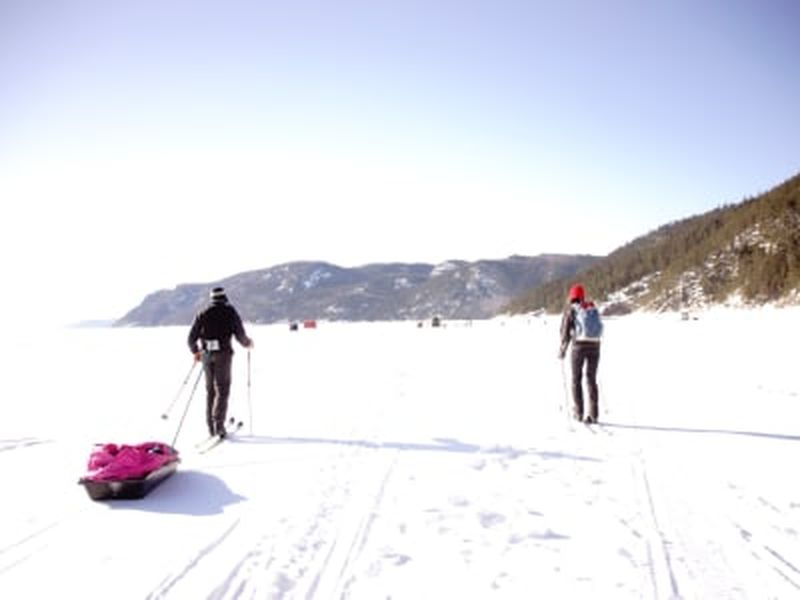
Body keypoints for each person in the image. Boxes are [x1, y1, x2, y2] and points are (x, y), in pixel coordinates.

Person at [187, 286, 253, 437]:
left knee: (211, 390)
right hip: (223, 355)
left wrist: (195, 351)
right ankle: (219, 426)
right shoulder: (230, 311)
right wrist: (248, 343)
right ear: (224, 297)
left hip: (206, 355)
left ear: (212, 298)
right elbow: (239, 334)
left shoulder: (202, 313)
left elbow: (191, 338)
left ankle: (211, 427)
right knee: (222, 390)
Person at [558, 283, 602, 423]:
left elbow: (565, 333)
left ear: (572, 296)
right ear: (582, 295)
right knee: (591, 379)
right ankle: (594, 414)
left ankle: (579, 413)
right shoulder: (591, 307)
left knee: (576, 379)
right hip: (595, 345)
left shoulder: (571, 310)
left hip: (579, 347)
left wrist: (563, 350)